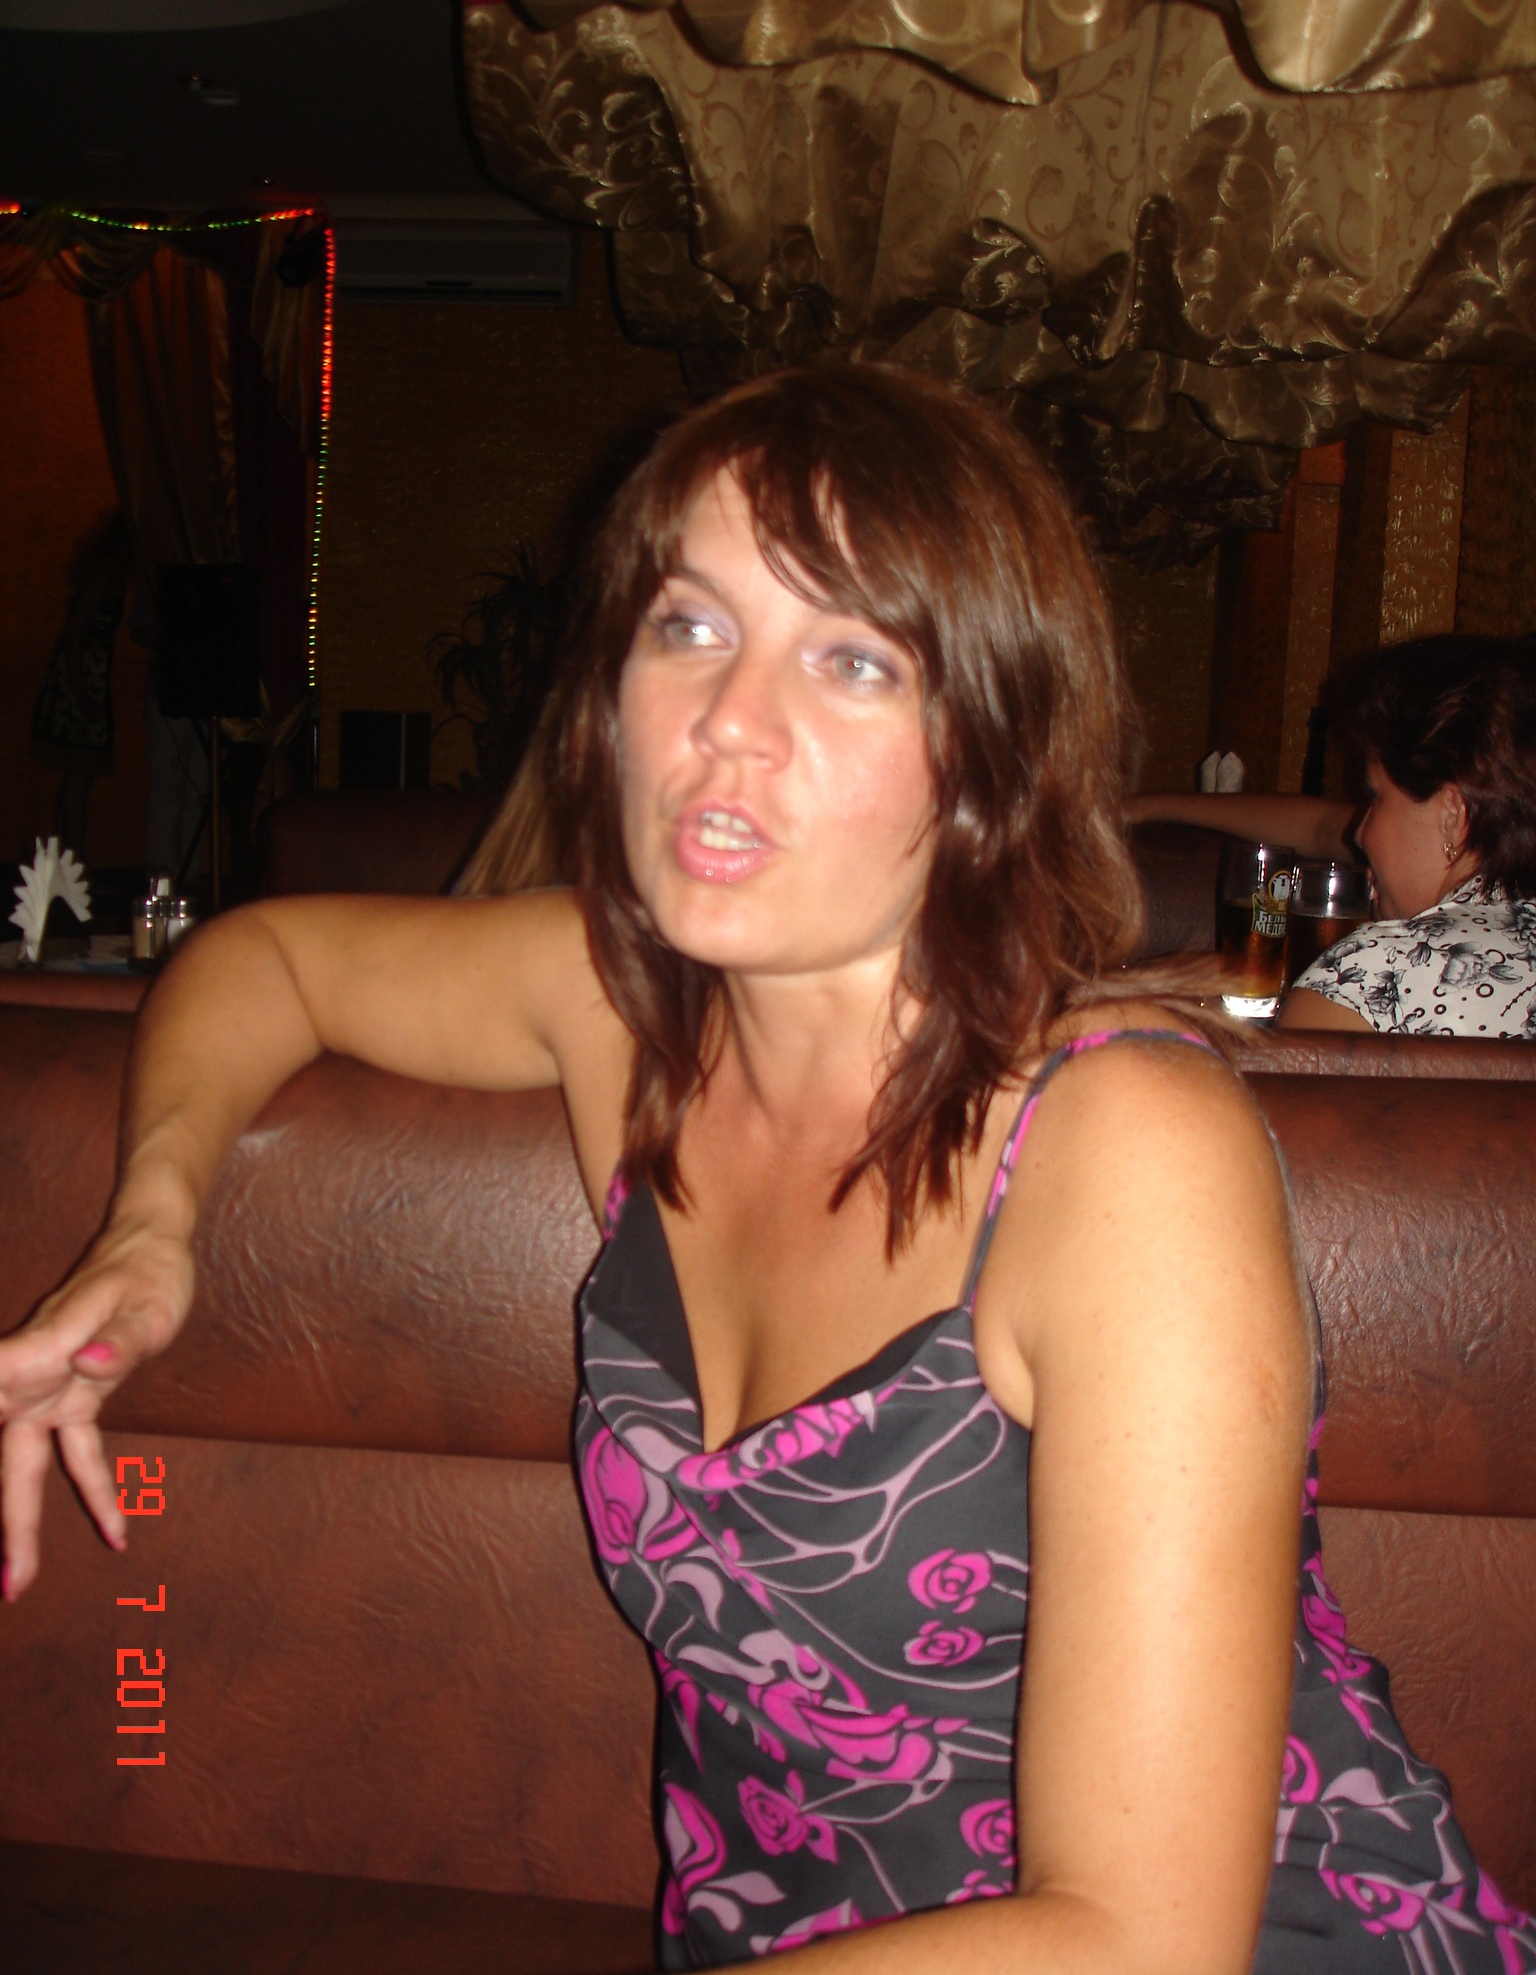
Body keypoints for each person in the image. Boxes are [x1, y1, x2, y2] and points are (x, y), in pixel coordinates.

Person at [1, 368, 1530, 1974]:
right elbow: (266, 963)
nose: (730, 719)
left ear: (988, 759)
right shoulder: (619, 1009)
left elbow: (1141, 1939)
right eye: (690, 626)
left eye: (853, 659)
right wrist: (149, 1235)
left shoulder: (1123, 1147)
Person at [1130, 635, 1536, 1038]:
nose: (1359, 833)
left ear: (1452, 815)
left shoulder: (1372, 977)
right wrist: (1148, 807)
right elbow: (1324, 827)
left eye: (1375, 797)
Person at [30, 512, 134, 863]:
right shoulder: (102, 576)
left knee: (77, 774)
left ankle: (66, 858)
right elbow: (74, 632)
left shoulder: (109, 577)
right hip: (80, 680)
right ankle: (74, 858)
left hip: (87, 678)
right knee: (79, 772)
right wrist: (81, 690)